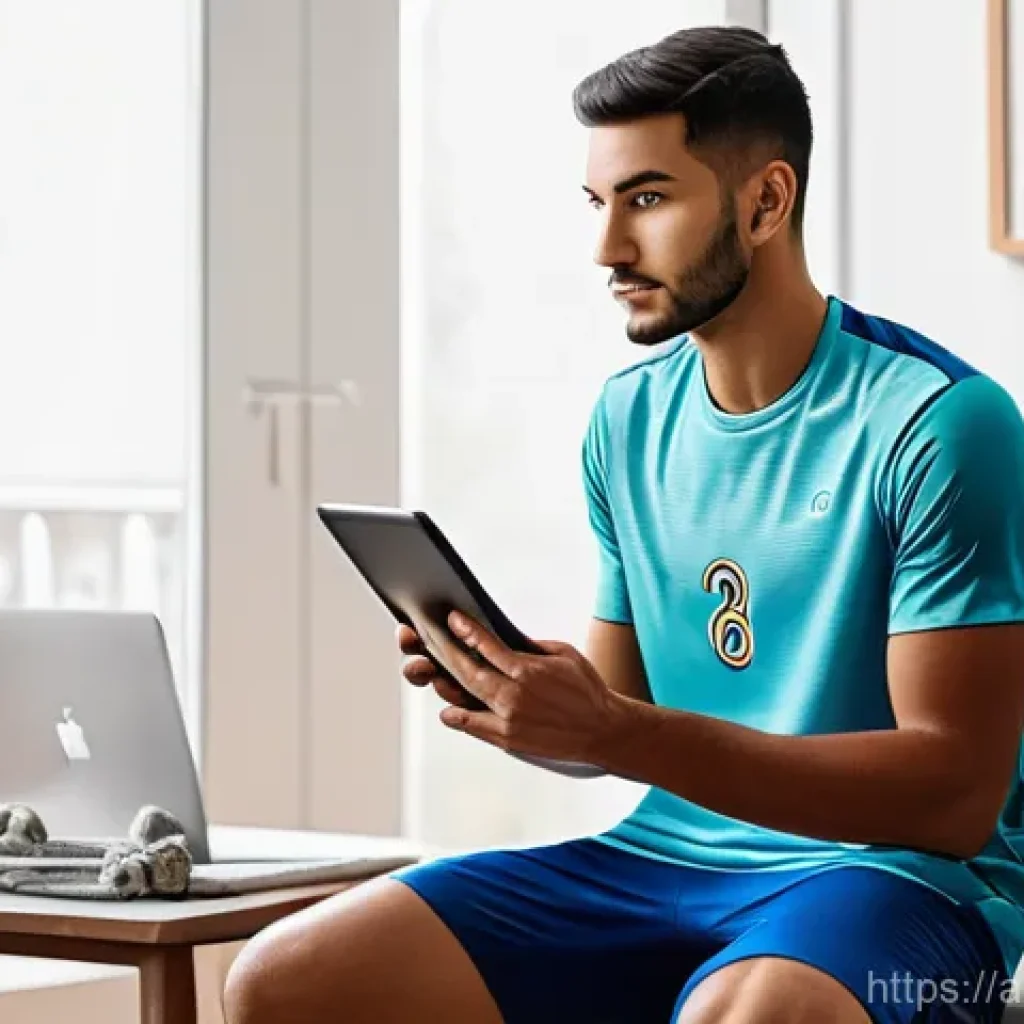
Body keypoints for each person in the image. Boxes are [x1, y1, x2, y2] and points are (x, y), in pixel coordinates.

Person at [223, 25, 1024, 1024]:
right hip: (662, 857)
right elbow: (619, 717)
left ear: (765, 201)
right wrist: (525, 698)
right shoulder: (626, 419)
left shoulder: (942, 422)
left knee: (752, 1015)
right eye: (599, 203)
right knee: (282, 978)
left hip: (902, 883)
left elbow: (953, 796)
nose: (607, 247)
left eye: (647, 199)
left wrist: (618, 728)